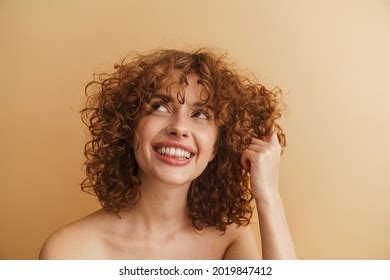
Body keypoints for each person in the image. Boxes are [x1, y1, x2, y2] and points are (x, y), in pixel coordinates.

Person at [39, 48, 296, 259]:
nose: (179, 128)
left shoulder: (229, 240)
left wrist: (269, 197)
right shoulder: (68, 251)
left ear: (216, 147)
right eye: (160, 106)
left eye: (200, 114)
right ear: (128, 127)